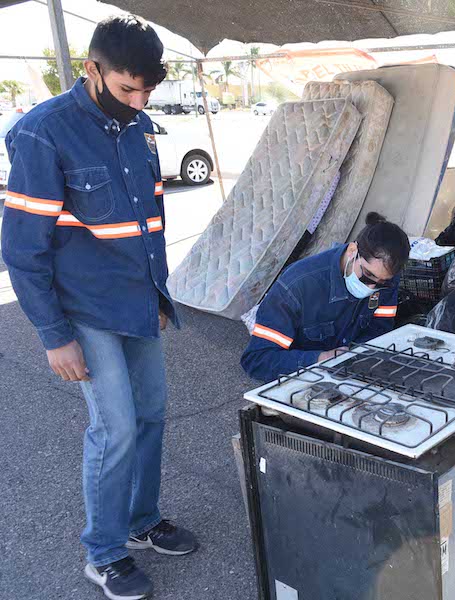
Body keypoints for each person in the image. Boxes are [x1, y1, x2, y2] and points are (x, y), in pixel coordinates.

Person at [1, 15, 196, 600]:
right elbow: (22, 248)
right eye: (126, 88)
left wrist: (159, 296)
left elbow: (151, 223)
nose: (137, 102)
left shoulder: (139, 129)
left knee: (152, 416)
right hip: (82, 310)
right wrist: (52, 335)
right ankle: (104, 552)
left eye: (147, 90)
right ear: (93, 70)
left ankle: (142, 522)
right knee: (114, 428)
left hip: (137, 302)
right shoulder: (44, 132)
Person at [241, 212, 410, 381]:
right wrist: (319, 359)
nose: (372, 287)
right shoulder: (297, 285)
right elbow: (258, 360)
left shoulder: (386, 276)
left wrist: (358, 355)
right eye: (367, 275)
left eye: (382, 283)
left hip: (350, 377)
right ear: (353, 250)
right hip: (301, 380)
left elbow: (380, 328)